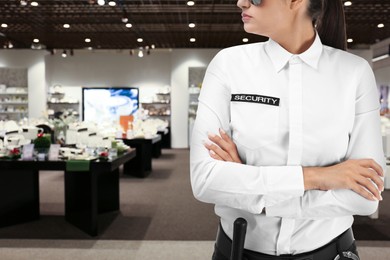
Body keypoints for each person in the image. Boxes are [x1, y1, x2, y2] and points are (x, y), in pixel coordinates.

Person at [189, 0, 385, 259]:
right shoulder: (228, 65)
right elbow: (205, 181)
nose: (241, 2)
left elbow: (365, 196)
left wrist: (247, 184)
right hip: (237, 252)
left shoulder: (354, 73)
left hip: (331, 253)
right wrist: (316, 177)